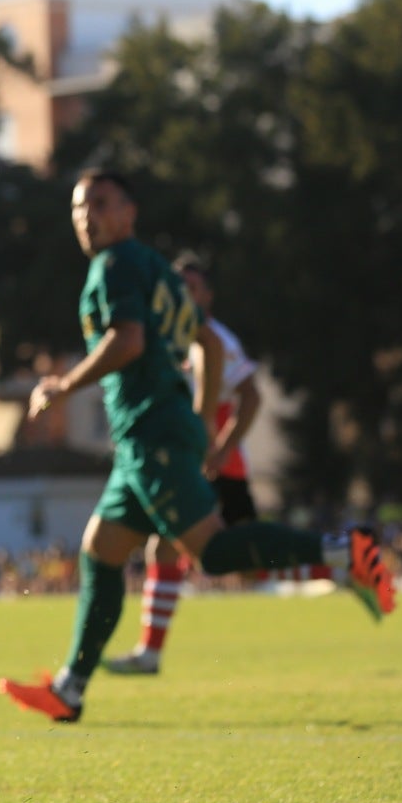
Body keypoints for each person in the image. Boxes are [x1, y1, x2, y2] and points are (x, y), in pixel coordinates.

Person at [0, 169, 396, 724]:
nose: (87, 216)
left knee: (213, 551)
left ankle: (345, 551)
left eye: (101, 204)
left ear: (129, 212)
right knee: (101, 551)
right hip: (153, 434)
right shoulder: (158, 270)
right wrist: (205, 417)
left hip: (152, 432)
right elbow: (207, 341)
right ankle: (71, 689)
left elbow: (128, 341)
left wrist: (63, 386)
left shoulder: (114, 266)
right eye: (79, 207)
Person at [107, 253, 276, 674]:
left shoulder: (216, 339)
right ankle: (149, 653)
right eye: (177, 287)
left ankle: (343, 563)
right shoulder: (170, 338)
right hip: (185, 459)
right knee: (169, 548)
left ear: (208, 296)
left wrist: (221, 447)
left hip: (215, 465)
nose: (183, 295)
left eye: (192, 288)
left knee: (247, 563)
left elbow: (252, 395)